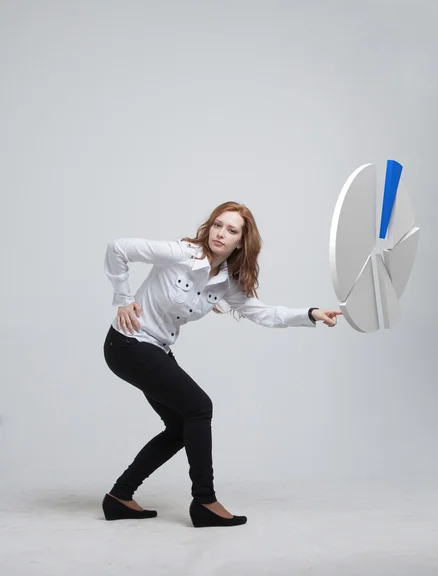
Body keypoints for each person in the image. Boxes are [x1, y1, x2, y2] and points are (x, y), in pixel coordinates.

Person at [102, 201, 342, 528]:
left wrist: (310, 314)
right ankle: (205, 501)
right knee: (200, 408)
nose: (221, 233)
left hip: (153, 347)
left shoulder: (226, 282)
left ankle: (120, 497)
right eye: (217, 225)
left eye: (231, 230)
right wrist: (122, 298)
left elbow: (263, 313)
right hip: (128, 343)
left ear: (241, 241)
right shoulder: (181, 253)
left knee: (180, 428)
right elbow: (118, 248)